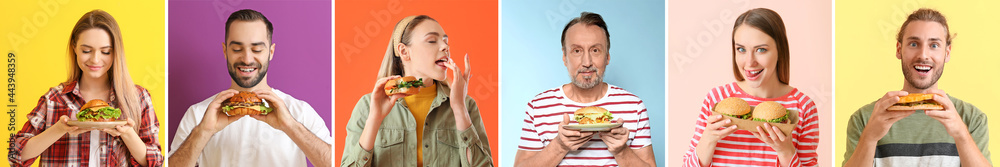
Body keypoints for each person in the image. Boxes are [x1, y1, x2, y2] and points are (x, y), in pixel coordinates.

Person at [167, 9, 333, 167]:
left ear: (271, 52)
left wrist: (290, 126)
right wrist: (203, 132)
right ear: (225, 51)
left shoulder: (300, 113)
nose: (247, 59)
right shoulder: (198, 114)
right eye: (237, 49)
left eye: (257, 49)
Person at [8, 9, 163, 166]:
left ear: (116, 52)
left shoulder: (137, 98)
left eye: (105, 51)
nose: (95, 59)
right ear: (74, 47)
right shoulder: (54, 99)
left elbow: (156, 162)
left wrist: (127, 133)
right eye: (86, 50)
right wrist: (59, 129)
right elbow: (15, 154)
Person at [842, 8, 991, 167]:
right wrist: (869, 138)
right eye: (914, 44)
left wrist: (961, 135)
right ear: (899, 49)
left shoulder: (972, 119)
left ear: (947, 53)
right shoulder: (865, 119)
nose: (923, 55)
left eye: (934, 45)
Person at [340, 15, 493, 167]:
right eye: (432, 41)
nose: (445, 47)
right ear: (404, 52)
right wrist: (375, 119)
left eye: (446, 42)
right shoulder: (367, 106)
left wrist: (459, 109)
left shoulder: (466, 105)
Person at [513, 12, 656, 166]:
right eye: (577, 51)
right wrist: (559, 146)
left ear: (607, 56)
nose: (587, 62)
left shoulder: (634, 106)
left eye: (595, 50)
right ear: (564, 57)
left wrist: (621, 151)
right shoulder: (538, 107)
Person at [681, 8, 819, 167]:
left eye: (761, 50)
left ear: (780, 51)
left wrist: (786, 152)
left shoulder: (803, 107)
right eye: (741, 49)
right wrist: (708, 139)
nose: (749, 62)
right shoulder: (717, 99)